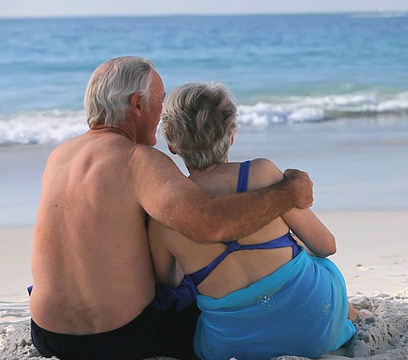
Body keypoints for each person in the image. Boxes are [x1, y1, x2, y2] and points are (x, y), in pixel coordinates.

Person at [29, 56, 313, 360]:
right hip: (123, 338)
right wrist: (288, 192)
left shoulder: (60, 155)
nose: (163, 112)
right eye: (160, 101)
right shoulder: (139, 160)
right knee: (200, 281)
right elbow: (211, 225)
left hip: (48, 336)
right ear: (137, 104)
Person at [148, 82, 361, 360]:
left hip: (231, 346)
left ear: (172, 146)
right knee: (313, 257)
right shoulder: (261, 174)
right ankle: (349, 315)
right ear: (231, 135)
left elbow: (170, 280)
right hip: (314, 330)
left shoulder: (163, 215)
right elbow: (326, 246)